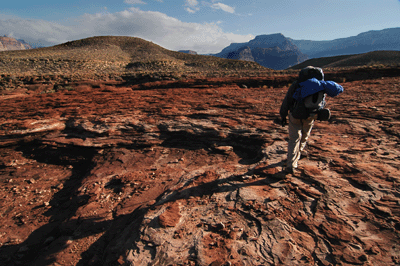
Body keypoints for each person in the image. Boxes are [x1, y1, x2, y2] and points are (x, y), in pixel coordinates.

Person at [279, 66, 344, 174]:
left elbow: (287, 101)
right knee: (304, 137)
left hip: (295, 115)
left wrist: (283, 116)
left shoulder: (297, 84)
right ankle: (296, 157)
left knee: (294, 139)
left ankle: (291, 164)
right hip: (311, 116)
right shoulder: (322, 86)